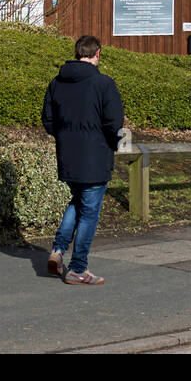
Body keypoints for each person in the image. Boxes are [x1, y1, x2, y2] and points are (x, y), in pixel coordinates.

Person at [42, 35, 124, 285]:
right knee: (89, 212)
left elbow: (48, 121)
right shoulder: (104, 83)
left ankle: (58, 249)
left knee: (78, 202)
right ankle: (78, 268)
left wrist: (66, 138)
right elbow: (115, 123)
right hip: (95, 157)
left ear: (77, 53)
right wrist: (113, 143)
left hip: (68, 156)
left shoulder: (56, 83)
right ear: (97, 53)